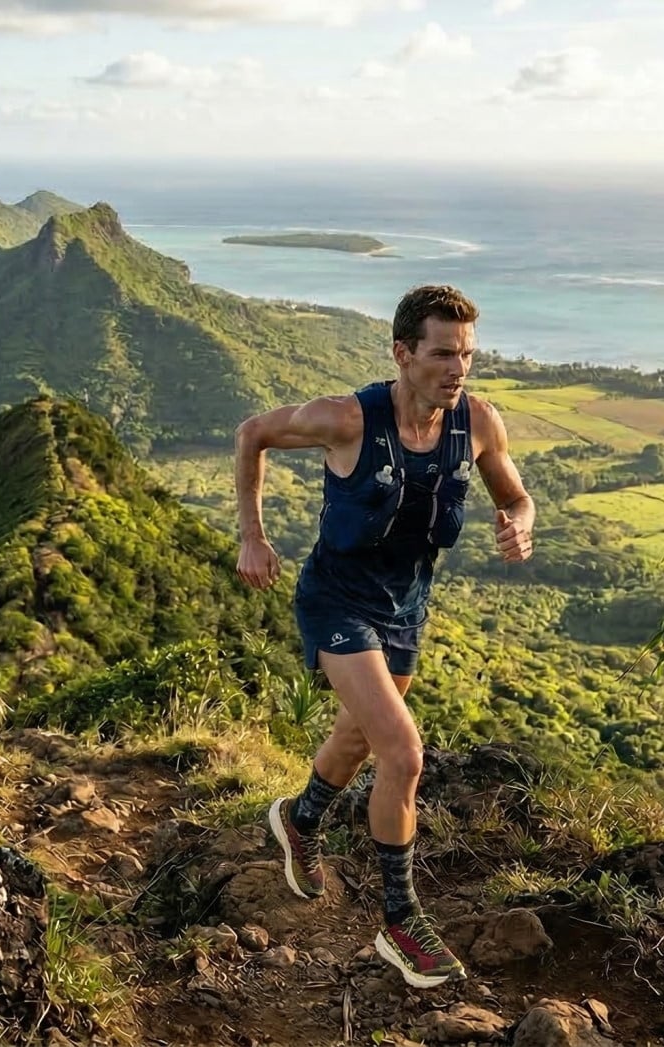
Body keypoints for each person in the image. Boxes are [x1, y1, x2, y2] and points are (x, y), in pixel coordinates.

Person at [232, 284, 535, 988]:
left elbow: (516, 496)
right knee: (403, 751)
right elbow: (252, 433)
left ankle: (299, 820)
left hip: (406, 608)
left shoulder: (478, 422)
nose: (458, 369)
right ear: (403, 353)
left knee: (357, 737)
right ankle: (400, 920)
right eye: (442, 354)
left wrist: (521, 523)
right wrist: (252, 535)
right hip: (336, 601)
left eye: (467, 354)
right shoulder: (346, 419)